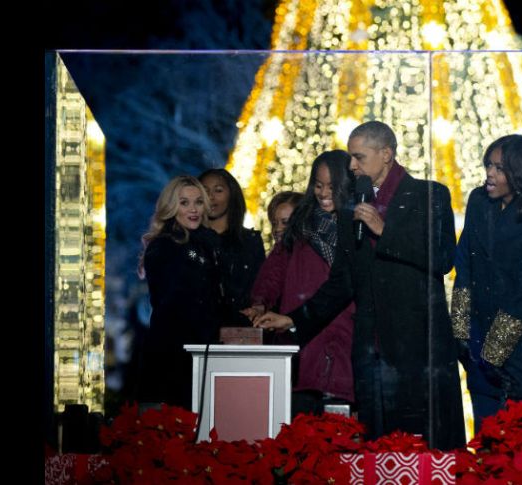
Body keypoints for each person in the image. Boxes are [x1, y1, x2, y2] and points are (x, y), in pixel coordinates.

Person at [255, 121, 465, 450]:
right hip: (369, 352)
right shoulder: (352, 207)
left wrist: (386, 230)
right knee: (375, 449)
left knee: (424, 449)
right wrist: (296, 318)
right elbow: (342, 283)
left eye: (358, 157)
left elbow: (443, 258)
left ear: (386, 154)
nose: (351, 166)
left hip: (418, 351)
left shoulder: (430, 194)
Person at [451, 134, 522, 433]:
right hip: (475, 342)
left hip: (518, 354)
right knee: (486, 443)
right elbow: (464, 265)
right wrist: (460, 333)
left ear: (521, 173)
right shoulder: (478, 201)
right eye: (489, 165)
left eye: (499, 168)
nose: (490, 173)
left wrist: (493, 352)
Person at [243, 151, 356, 416]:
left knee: (341, 426)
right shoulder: (301, 226)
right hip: (303, 336)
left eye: (332, 186)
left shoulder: (358, 228)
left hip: (344, 334)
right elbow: (274, 271)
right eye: (318, 185)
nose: (324, 192)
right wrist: (261, 302)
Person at [137, 175, 222, 409]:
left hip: (192, 353)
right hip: (171, 356)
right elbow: (176, 303)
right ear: (171, 207)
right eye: (184, 203)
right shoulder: (168, 246)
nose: (193, 209)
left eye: (198, 202)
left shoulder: (195, 246)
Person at [198, 168, 265, 325]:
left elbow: (262, 287)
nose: (211, 197)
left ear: (232, 194)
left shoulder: (251, 242)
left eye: (218, 190)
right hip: (198, 333)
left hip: (243, 332)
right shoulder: (191, 244)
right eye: (204, 191)